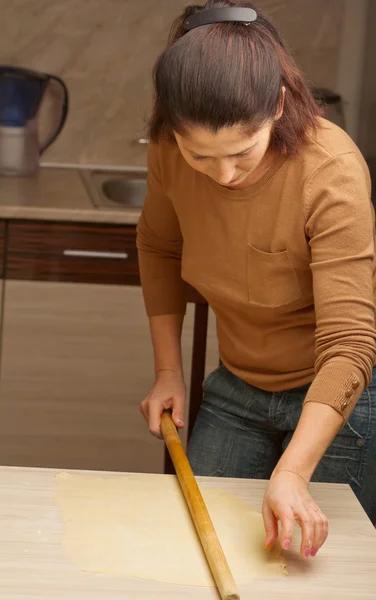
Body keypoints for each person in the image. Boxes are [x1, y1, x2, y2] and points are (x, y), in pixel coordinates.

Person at [137, 0, 376, 560]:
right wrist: (168, 370)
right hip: (237, 388)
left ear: (278, 106)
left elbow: (350, 344)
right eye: (202, 156)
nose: (222, 175)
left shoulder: (330, 169)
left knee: (316, 571)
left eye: (242, 153)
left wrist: (293, 470)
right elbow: (159, 245)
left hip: (340, 398)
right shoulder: (169, 154)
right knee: (197, 552)